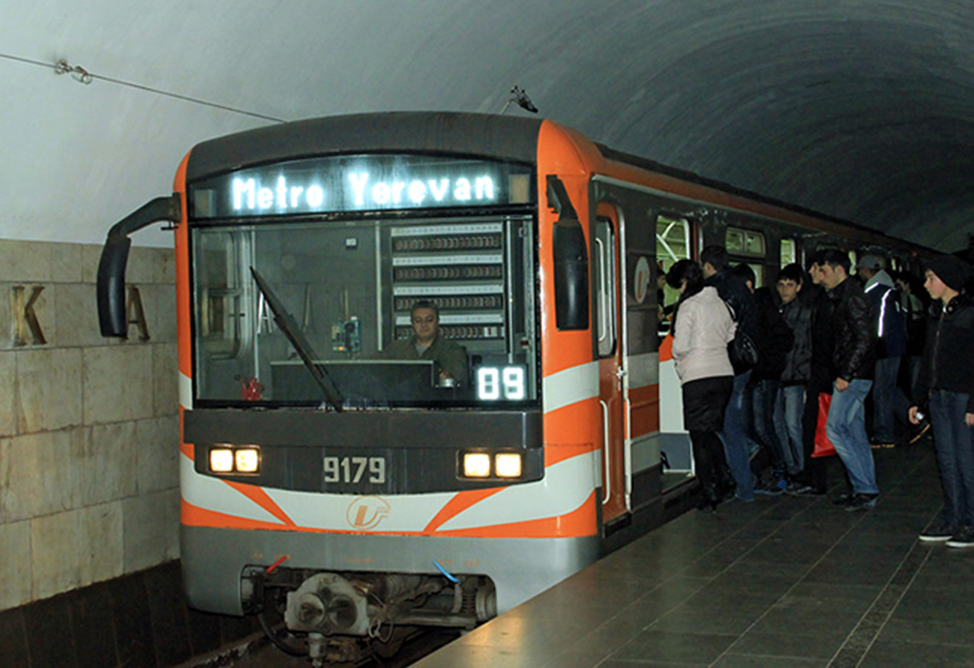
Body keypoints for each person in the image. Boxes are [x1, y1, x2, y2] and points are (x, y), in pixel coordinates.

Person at [911, 255, 974, 547]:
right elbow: (928, 360)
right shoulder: (936, 314)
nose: (926, 284)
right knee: (946, 460)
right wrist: (919, 399)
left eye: (931, 278)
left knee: (966, 460)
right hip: (939, 396)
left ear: (947, 280)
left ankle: (971, 522)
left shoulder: (969, 315)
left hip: (962, 397)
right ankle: (953, 518)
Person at [666, 259, 737, 510]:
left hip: (697, 376)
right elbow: (731, 334)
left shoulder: (689, 306)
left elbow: (681, 345)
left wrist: (678, 359)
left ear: (684, 282)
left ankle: (710, 491)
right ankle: (725, 478)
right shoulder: (720, 303)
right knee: (710, 431)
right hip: (723, 374)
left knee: (699, 435)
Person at [818, 249, 880, 511]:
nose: (821, 277)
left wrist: (846, 373)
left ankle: (864, 487)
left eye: (824, 271)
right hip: (856, 374)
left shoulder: (852, 298)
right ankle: (865, 488)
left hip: (853, 376)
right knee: (855, 431)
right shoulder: (848, 295)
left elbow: (864, 339)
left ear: (838, 270)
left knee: (836, 429)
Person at [701, 245, 760, 501]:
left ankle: (744, 486)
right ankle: (744, 474)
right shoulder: (740, 286)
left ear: (707, 266)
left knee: (727, 426)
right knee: (728, 423)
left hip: (725, 366)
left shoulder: (714, 291)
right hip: (743, 364)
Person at [731, 264, 794, 495]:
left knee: (762, 425)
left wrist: (764, 356)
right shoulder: (752, 306)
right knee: (753, 425)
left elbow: (784, 338)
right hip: (755, 374)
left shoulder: (760, 307)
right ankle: (770, 468)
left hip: (765, 374)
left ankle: (780, 471)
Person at [856, 254, 907, 448]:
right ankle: (916, 418)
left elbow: (877, 324)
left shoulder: (876, 292)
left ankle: (884, 434)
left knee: (882, 391)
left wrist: (874, 344)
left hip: (885, 348)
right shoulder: (890, 289)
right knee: (890, 388)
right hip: (895, 346)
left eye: (860, 270)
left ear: (867, 270)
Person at [773, 263, 815, 488]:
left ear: (799, 286)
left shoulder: (805, 313)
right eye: (781, 285)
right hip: (781, 375)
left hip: (795, 376)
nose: (785, 290)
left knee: (791, 424)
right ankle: (792, 465)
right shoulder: (779, 311)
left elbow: (807, 346)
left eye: (790, 285)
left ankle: (799, 466)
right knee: (780, 423)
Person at [382, 300, 468, 385]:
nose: (424, 324)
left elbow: (454, 375)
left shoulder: (451, 350)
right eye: (418, 320)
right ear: (412, 323)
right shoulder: (396, 348)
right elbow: (376, 369)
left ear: (437, 322)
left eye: (429, 320)